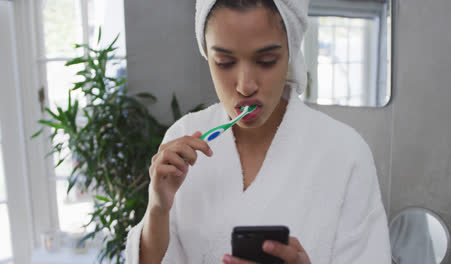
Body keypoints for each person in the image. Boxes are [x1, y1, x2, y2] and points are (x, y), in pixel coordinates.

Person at [125, 0, 392, 263]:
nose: (245, 85)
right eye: (224, 62)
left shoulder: (345, 153)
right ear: (207, 54)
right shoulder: (183, 136)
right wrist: (159, 207)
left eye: (266, 61)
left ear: (290, 52)